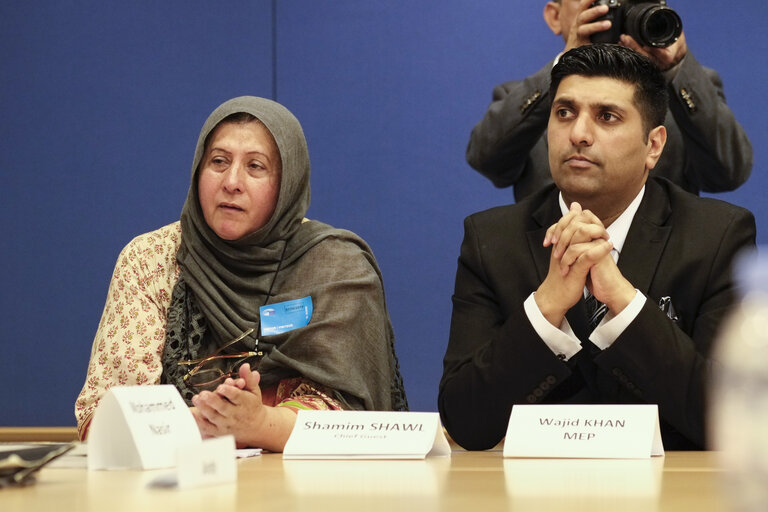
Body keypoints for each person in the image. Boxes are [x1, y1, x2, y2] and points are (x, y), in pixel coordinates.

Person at [439, 44, 755, 451]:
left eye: (607, 116)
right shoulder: (491, 240)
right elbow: (464, 421)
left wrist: (623, 301)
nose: (578, 134)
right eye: (564, 112)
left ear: (654, 146)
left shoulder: (716, 237)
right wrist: (545, 307)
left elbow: (729, 420)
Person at [75, 96, 408, 452]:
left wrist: (258, 423)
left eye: (255, 167)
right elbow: (106, 417)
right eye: (218, 162)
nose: (232, 181)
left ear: (287, 184)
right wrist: (222, 418)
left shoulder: (335, 266)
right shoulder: (150, 258)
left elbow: (352, 415)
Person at [466, 0, 752, 201]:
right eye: (599, 3)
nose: (617, 14)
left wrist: (676, 71)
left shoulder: (683, 91)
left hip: (660, 276)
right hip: (550, 268)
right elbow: (487, 160)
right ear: (555, 16)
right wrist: (560, 70)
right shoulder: (526, 97)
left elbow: (728, 173)